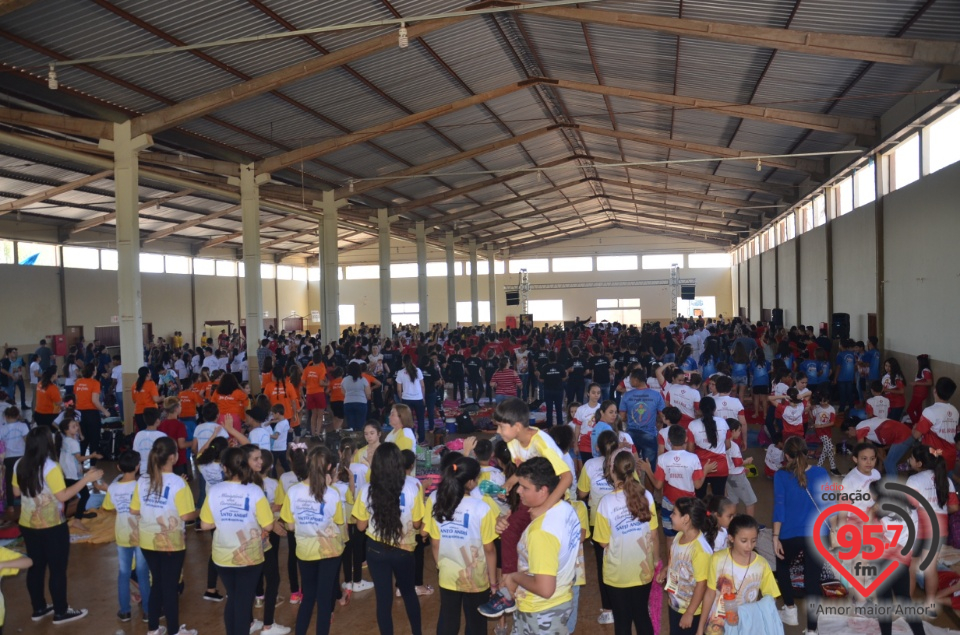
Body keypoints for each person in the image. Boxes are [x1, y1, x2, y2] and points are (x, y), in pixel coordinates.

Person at [13, 426, 101, 624]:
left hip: (27, 524)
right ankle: (61, 611)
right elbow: (63, 496)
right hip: (52, 525)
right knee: (57, 568)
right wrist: (86, 479)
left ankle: (39, 608)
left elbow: (16, 492)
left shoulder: (20, 463)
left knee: (35, 567)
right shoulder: (50, 466)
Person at [498, 457, 580, 635]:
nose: (518, 491)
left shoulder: (541, 532)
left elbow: (545, 588)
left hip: (540, 613)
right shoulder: (564, 509)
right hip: (560, 603)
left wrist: (515, 577)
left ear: (543, 490)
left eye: (525, 488)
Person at [351, 442, 424, 635]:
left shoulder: (367, 489)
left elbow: (360, 526)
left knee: (384, 599)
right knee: (409, 593)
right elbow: (417, 524)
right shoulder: (413, 485)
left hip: (376, 550)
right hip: (404, 550)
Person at [200, 447, 274, 635]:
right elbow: (268, 526)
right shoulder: (255, 491)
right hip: (249, 557)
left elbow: (206, 525)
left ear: (225, 468)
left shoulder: (215, 491)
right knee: (242, 602)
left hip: (222, 556)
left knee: (233, 598)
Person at [131, 436, 198, 635]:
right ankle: (174, 631)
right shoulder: (178, 483)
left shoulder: (143, 480)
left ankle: (153, 628)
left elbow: (134, 510)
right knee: (170, 587)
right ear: (173, 457)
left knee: (157, 583)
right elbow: (186, 515)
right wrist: (199, 511)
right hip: (171, 543)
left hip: (147, 540)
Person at [425, 455, 499, 635]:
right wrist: (493, 582)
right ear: (472, 482)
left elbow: (435, 544)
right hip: (477, 576)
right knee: (476, 623)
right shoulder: (481, 509)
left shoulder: (439, 503)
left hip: (448, 574)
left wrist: (441, 566)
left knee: (448, 619)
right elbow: (489, 549)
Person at [279, 445, 344, 635]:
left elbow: (289, 526)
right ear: (330, 466)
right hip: (330, 550)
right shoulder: (333, 494)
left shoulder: (293, 491)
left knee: (308, 597)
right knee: (324, 600)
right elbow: (339, 522)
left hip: (305, 551)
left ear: (307, 462)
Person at [593, 451, 659, 635]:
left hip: (617, 574)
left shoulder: (605, 503)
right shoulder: (647, 495)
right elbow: (653, 535)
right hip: (643, 570)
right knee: (642, 617)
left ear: (612, 472)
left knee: (622, 622)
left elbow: (603, 543)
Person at [772, 435, 830, 632]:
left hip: (790, 534)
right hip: (818, 534)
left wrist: (775, 537)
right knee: (813, 581)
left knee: (782, 566)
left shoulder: (780, 476)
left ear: (786, 455)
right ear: (807, 452)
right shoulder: (822, 472)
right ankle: (813, 629)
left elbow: (779, 508)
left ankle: (790, 610)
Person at [698, 514, 779, 635]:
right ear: (731, 538)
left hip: (745, 627)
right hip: (716, 627)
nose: (749, 546)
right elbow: (710, 594)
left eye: (754, 540)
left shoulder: (761, 565)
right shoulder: (717, 559)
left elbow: (771, 597)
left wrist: (753, 612)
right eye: (744, 541)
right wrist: (700, 628)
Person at [100, 450, 151, 623]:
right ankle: (147, 612)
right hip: (141, 533)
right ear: (138, 467)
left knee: (123, 573)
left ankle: (125, 611)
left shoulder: (113, 487)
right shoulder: (141, 486)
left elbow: (107, 507)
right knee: (143, 572)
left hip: (122, 535)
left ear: (118, 467)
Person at [906, 445, 959, 609]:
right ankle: (930, 602)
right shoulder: (946, 479)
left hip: (920, 525)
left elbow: (911, 505)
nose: (909, 460)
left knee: (911, 568)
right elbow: (954, 508)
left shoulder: (914, 480)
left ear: (919, 463)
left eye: (912, 458)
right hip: (940, 527)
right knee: (930, 568)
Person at [576, 430, 620, 624]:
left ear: (596, 447)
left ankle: (609, 609)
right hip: (621, 518)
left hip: (597, 522)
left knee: (603, 565)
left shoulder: (589, 465)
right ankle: (625, 602)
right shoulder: (623, 462)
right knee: (624, 559)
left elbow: (582, 493)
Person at [660, 497, 715, 635]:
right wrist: (667, 569)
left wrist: (690, 613)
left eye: (674, 513)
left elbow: (702, 584)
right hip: (676, 604)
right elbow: (677, 561)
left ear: (686, 518)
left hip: (691, 610)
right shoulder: (679, 536)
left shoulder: (700, 550)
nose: (671, 516)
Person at [618, 369, 665, 468]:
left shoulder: (626, 396)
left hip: (631, 435)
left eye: (630, 379)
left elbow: (621, 417)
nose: (629, 381)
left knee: (629, 467)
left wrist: (631, 419)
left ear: (636, 380)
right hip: (650, 434)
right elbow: (662, 417)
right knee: (649, 468)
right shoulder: (656, 395)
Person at [57, 416, 100, 519]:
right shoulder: (73, 443)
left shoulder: (64, 440)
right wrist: (92, 456)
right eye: (73, 426)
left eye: (76, 425)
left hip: (65, 473)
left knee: (66, 498)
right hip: (73, 475)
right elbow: (79, 459)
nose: (76, 428)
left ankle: (63, 517)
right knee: (85, 495)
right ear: (67, 430)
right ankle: (78, 518)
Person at [688, 397, 731, 499]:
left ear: (699, 409)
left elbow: (690, 450)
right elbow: (728, 445)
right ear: (714, 409)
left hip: (700, 467)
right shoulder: (723, 423)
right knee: (719, 500)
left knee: (699, 499)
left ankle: (702, 515)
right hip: (720, 467)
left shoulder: (692, 425)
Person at [913, 377, 959, 471]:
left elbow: (916, 435)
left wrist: (914, 428)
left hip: (934, 458)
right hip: (950, 456)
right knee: (945, 483)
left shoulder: (930, 411)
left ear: (935, 391)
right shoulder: (955, 411)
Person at [74, 363, 109, 462]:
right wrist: (105, 411)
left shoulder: (78, 382)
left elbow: (76, 399)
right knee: (94, 439)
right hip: (91, 414)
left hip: (79, 413)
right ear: (93, 372)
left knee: (82, 438)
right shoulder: (95, 383)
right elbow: (95, 400)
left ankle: (80, 464)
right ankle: (92, 466)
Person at [722, 419, 757, 518]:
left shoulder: (721, 443)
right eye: (739, 430)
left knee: (732, 501)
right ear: (732, 431)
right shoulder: (733, 446)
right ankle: (750, 524)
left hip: (728, 476)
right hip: (738, 477)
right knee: (750, 501)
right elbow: (737, 463)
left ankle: (731, 523)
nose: (740, 433)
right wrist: (747, 461)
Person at [1, 407, 28, 508]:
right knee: (23, 479)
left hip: (8, 457)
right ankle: (24, 501)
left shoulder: (3, 428)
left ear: (6, 417)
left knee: (9, 481)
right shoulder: (23, 426)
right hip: (22, 456)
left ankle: (11, 505)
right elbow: (27, 440)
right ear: (18, 416)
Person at [396, 355, 426, 440]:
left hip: (406, 399)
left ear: (403, 362)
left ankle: (411, 438)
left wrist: (401, 398)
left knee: (409, 421)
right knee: (421, 419)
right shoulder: (418, 371)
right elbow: (422, 385)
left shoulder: (400, 372)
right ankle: (422, 439)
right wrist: (423, 398)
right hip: (418, 399)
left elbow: (399, 389)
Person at [811, 389, 838, 474]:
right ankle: (820, 467)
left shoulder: (831, 409)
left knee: (827, 449)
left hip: (827, 430)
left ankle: (833, 468)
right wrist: (809, 410)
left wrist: (820, 425)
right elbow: (813, 418)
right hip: (820, 431)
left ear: (828, 400)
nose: (822, 403)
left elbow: (832, 423)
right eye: (821, 401)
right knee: (829, 447)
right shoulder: (817, 408)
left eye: (824, 401)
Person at [133, 408, 167, 475]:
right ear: (157, 421)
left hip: (142, 471)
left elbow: (135, 453)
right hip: (159, 470)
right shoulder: (162, 436)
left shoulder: (138, 435)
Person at [342, 362, 371, 433]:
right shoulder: (363, 380)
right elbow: (368, 394)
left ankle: (351, 441)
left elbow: (343, 392)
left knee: (350, 426)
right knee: (360, 426)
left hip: (348, 403)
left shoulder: (344, 380)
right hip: (361, 403)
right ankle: (359, 441)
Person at [132, 366, 161, 431]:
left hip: (138, 413)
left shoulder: (134, 385)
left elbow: (134, 400)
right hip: (150, 413)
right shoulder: (151, 384)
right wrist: (162, 398)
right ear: (148, 374)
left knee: (143, 433)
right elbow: (156, 399)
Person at [33, 366, 61, 430]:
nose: (57, 374)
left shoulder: (40, 384)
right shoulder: (53, 388)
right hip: (49, 416)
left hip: (38, 414)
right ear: (53, 375)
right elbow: (58, 403)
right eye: (57, 373)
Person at [882, 358, 907, 422]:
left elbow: (902, 391)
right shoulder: (885, 376)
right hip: (889, 403)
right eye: (886, 365)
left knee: (893, 422)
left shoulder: (897, 377)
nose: (887, 368)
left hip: (897, 403)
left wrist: (888, 390)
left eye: (889, 366)